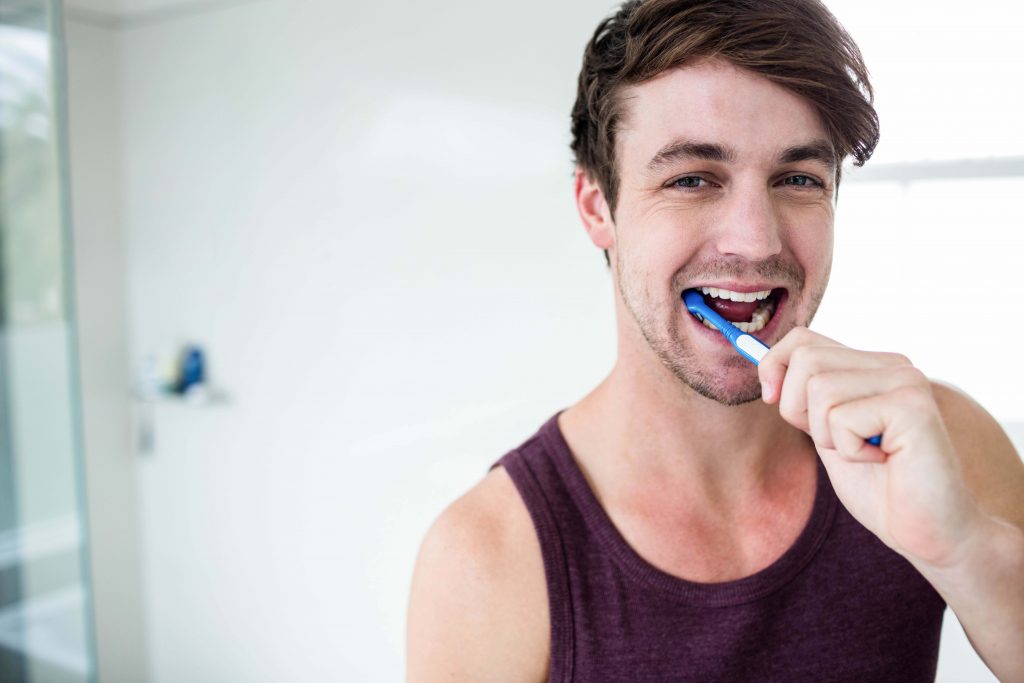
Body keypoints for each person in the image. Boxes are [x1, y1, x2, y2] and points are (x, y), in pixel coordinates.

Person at [406, 0, 1024, 680]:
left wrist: (964, 548)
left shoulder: (940, 446)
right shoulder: (488, 559)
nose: (756, 240)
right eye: (692, 178)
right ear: (596, 207)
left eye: (797, 179)